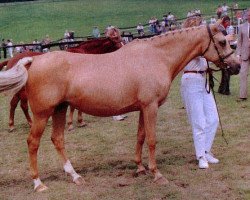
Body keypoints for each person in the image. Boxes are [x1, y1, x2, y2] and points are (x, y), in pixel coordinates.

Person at [180, 16, 219, 169]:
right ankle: (201, 156)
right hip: (191, 80)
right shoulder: (187, 43)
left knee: (213, 118)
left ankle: (206, 150)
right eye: (199, 26)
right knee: (199, 121)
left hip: (202, 79)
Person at [236, 9, 250, 101]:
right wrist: (238, 55)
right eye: (248, 15)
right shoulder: (241, 27)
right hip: (245, 55)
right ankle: (242, 95)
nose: (248, 16)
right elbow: (239, 42)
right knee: (243, 74)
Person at [218, 16, 233, 95]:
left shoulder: (219, 28)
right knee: (227, 71)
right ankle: (225, 89)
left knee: (224, 71)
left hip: (220, 54)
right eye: (229, 22)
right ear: (226, 21)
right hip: (224, 54)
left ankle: (221, 88)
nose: (229, 24)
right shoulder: (223, 30)